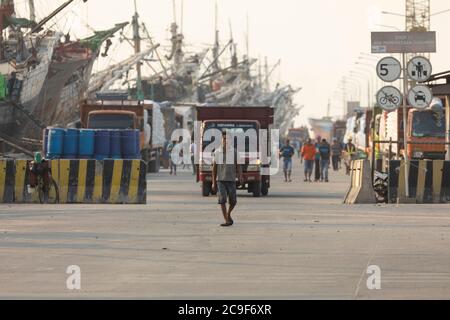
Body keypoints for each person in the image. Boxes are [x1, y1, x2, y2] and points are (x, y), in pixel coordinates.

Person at [212, 131, 244, 227]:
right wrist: (213, 182)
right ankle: (227, 220)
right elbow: (214, 167)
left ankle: (228, 214)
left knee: (233, 201)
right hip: (220, 180)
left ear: (231, 140)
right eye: (224, 138)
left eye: (228, 138)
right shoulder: (217, 152)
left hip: (231, 180)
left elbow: (239, 165)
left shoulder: (234, 152)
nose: (226, 140)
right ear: (221, 140)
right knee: (222, 200)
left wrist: (240, 176)